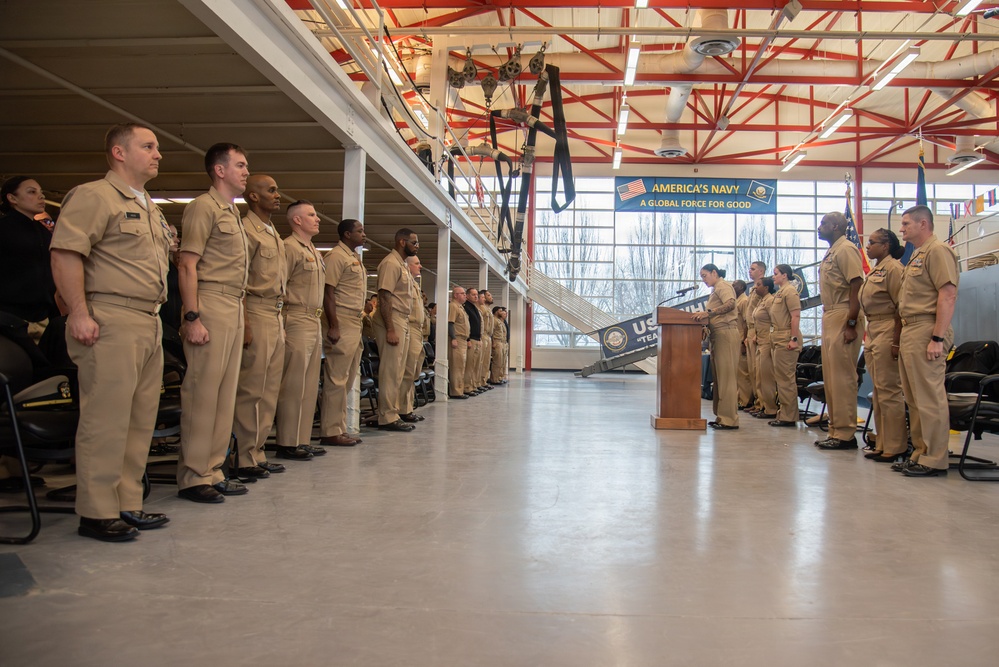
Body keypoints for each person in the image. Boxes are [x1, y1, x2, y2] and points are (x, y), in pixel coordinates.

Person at [49, 123, 171, 540]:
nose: (158, 154)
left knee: (139, 421)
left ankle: (127, 502)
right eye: (148, 146)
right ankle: (97, 511)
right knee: (107, 419)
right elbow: (66, 254)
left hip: (148, 319)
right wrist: (79, 313)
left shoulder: (149, 205)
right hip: (111, 317)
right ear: (119, 153)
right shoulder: (94, 196)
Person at [176, 142, 251, 503]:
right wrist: (193, 316)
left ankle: (213, 468)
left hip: (234, 304)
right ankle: (193, 475)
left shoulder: (233, 213)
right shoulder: (203, 208)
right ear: (219, 170)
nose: (245, 171)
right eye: (239, 165)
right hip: (210, 301)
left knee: (224, 395)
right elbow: (187, 264)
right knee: (203, 394)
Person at [892, 205, 959, 477]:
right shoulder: (917, 255)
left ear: (923, 224)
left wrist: (937, 338)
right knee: (915, 397)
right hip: (911, 330)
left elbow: (948, 294)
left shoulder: (938, 251)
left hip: (927, 329)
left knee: (929, 397)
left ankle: (934, 457)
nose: (902, 229)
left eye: (907, 223)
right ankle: (920, 452)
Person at [231, 175, 288, 480]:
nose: (277, 195)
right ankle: (244, 456)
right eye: (271, 190)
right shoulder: (246, 230)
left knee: (269, 390)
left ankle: (258, 451)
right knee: (251, 389)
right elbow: (240, 280)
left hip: (276, 315)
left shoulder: (272, 232)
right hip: (255, 310)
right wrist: (245, 322)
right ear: (253, 197)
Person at [275, 201, 327, 460]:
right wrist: (280, 322)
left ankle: (301, 439)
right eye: (311, 214)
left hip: (314, 321)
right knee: (293, 384)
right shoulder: (288, 248)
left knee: (309, 385)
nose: (317, 218)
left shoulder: (314, 251)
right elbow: (280, 287)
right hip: (295, 318)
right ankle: (287, 441)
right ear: (296, 220)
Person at [815, 211, 865, 451]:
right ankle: (836, 429)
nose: (819, 226)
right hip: (831, 313)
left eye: (824, 223)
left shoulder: (845, 249)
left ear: (836, 226)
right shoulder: (832, 251)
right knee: (832, 378)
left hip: (845, 312)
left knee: (843, 378)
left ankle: (846, 434)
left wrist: (852, 323)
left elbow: (856, 284)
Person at [859, 229, 907, 463]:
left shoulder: (894, 269)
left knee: (889, 390)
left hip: (889, 327)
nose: (867, 247)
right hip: (874, 329)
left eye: (872, 243)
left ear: (886, 245)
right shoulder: (877, 269)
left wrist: (897, 340)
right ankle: (882, 440)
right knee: (879, 391)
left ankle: (896, 445)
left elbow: (901, 306)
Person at [319, 218, 367, 447]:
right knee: (336, 379)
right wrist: (334, 324)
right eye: (359, 231)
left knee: (346, 380)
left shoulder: (352, 257)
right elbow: (328, 292)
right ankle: (330, 431)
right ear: (347, 234)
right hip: (342, 319)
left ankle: (338, 427)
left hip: (354, 321)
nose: (363, 234)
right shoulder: (336, 256)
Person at [0, 176, 60, 340]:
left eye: (41, 192)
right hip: (9, 315)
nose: (41, 196)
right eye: (32, 192)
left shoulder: (44, 232)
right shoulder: (4, 229)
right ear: (12, 198)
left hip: (44, 314)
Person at [373, 228, 419, 431]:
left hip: (402, 320)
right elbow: (384, 296)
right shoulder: (391, 263)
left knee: (399, 370)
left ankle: (394, 412)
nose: (417, 247)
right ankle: (388, 417)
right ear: (402, 242)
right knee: (391, 371)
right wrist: (390, 328)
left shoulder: (400, 265)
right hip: (392, 320)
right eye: (414, 243)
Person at [691, 264, 739, 430]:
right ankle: (722, 416)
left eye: (705, 275)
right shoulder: (715, 289)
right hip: (717, 334)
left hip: (726, 332)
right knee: (719, 378)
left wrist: (708, 313)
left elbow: (731, 304)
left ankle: (729, 419)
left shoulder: (723, 286)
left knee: (726, 378)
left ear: (714, 272)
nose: (703, 279)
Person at [768, 265, 803, 427]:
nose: (773, 277)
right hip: (777, 336)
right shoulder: (780, 292)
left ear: (785, 275)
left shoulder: (790, 291)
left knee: (786, 379)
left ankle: (789, 416)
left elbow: (795, 316)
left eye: (776, 274)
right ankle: (784, 413)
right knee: (780, 379)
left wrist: (793, 338)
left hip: (786, 337)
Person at [399, 255, 428, 422]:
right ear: (408, 265)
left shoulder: (414, 284)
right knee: (407, 370)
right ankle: (401, 409)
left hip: (417, 329)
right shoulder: (405, 281)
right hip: (409, 326)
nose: (420, 266)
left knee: (413, 371)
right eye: (416, 263)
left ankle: (407, 407)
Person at [749, 278, 779, 420]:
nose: (755, 288)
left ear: (767, 287)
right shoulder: (762, 301)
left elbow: (776, 320)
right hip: (760, 340)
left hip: (768, 341)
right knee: (759, 376)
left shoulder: (770, 301)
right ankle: (763, 405)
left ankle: (771, 408)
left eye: (758, 285)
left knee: (767, 377)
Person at [744, 261, 766, 412]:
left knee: (759, 370)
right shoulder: (753, 289)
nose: (749, 271)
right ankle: (756, 401)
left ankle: (762, 403)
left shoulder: (763, 288)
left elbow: (763, 314)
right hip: (750, 330)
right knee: (752, 370)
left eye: (753, 269)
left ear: (761, 271)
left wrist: (757, 333)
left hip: (758, 330)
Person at [733, 279, 753, 408]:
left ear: (740, 287)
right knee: (737, 372)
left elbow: (746, 323)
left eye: (734, 285)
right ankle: (739, 397)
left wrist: (744, 341)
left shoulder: (744, 301)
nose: (732, 287)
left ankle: (745, 400)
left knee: (743, 373)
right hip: (735, 338)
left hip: (741, 338)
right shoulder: (736, 301)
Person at [448, 286, 470, 398]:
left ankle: (460, 390)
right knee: (456, 366)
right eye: (462, 293)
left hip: (463, 339)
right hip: (457, 338)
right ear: (455, 295)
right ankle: (456, 391)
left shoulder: (461, 307)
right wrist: (453, 338)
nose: (464, 295)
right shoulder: (453, 306)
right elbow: (450, 323)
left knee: (461, 366)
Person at [462, 288, 483, 396]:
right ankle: (467, 387)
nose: (476, 297)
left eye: (477, 295)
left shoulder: (474, 307)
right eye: (473, 295)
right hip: (471, 339)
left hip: (477, 339)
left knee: (476, 365)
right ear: (467, 296)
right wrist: (468, 339)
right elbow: (466, 325)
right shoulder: (466, 307)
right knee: (469, 365)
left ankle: (473, 385)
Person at [477, 290, 495, 391]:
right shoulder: (481, 308)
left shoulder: (488, 309)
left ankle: (483, 381)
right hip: (483, 335)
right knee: (481, 360)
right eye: (487, 295)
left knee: (486, 361)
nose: (490, 297)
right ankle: (478, 381)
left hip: (488, 336)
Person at [490, 306, 508, 384]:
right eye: (501, 311)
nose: (503, 312)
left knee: (501, 362)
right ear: (497, 312)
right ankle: (494, 379)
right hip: (497, 342)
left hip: (501, 342)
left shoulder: (500, 321)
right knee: (497, 362)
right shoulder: (494, 320)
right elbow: (492, 332)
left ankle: (499, 377)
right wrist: (493, 342)